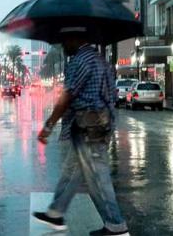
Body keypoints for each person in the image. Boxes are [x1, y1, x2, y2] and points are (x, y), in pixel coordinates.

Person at [33, 27, 129, 236]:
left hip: (89, 126)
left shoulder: (80, 61)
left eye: (66, 40)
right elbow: (111, 95)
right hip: (98, 124)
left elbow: (66, 97)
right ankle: (55, 212)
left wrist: (48, 126)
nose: (63, 45)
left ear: (76, 39)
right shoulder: (99, 60)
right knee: (72, 171)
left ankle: (116, 224)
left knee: (97, 176)